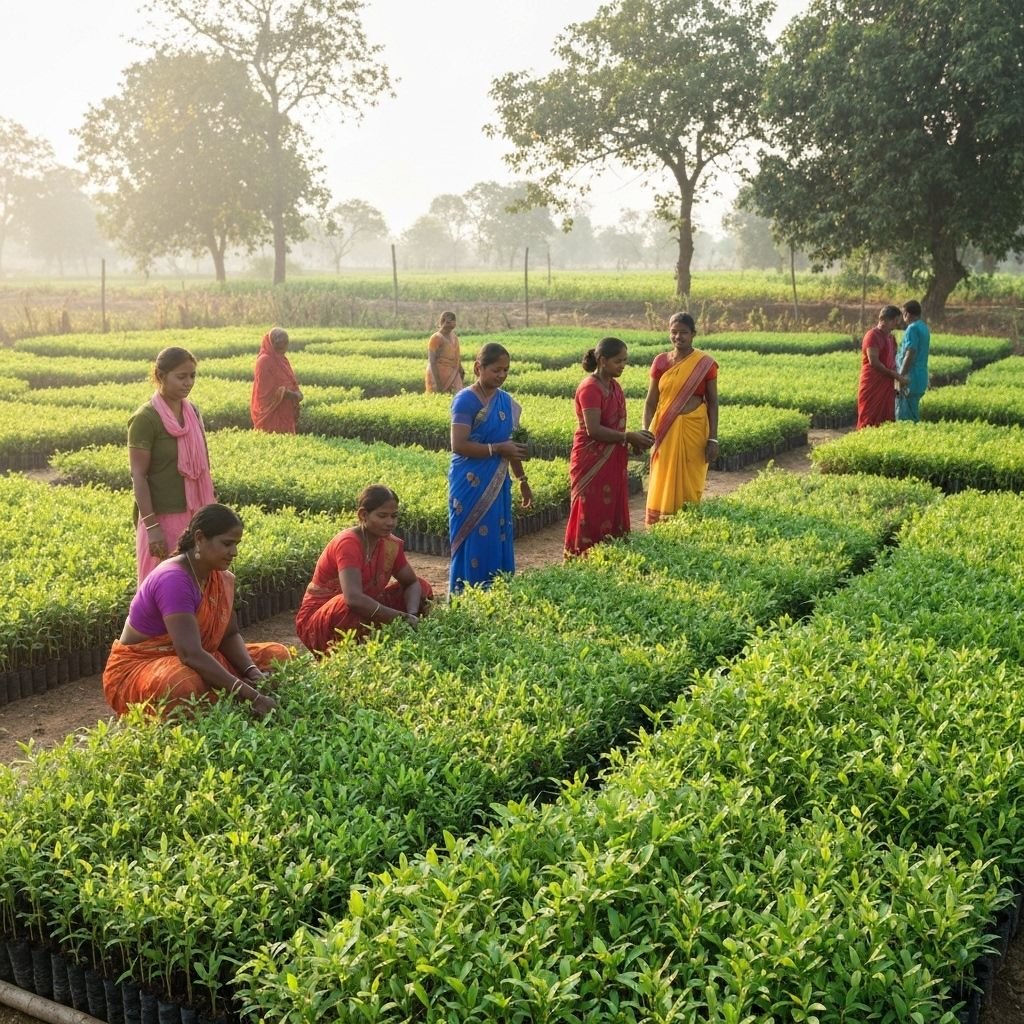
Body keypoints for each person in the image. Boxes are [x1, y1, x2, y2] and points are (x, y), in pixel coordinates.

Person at [103, 504, 288, 718]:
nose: (234, 552)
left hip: (199, 657)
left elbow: (229, 635)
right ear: (200, 538)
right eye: (227, 544)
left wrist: (252, 672)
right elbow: (190, 653)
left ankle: (227, 695)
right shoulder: (174, 579)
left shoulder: (218, 577)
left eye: (237, 544)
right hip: (142, 666)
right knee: (181, 684)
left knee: (276, 655)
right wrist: (252, 695)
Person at [295, 485, 434, 655]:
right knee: (346, 605)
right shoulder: (348, 543)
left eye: (394, 516)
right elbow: (353, 599)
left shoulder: (391, 544)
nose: (390, 522)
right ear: (363, 515)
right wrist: (401, 618)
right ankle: (350, 657)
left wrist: (412, 614)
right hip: (323, 619)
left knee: (422, 587)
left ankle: (392, 648)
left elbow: (411, 583)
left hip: (366, 609)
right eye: (382, 516)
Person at [448, 342, 531, 594]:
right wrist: (497, 449)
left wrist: (523, 480)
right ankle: (467, 596)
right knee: (472, 537)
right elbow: (458, 444)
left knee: (498, 535)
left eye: (506, 370)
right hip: (469, 483)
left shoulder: (507, 402)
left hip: (498, 483)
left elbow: (512, 446)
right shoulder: (465, 400)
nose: (502, 375)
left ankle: (497, 595)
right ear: (478, 368)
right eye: (496, 370)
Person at [129, 347, 216, 583]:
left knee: (199, 583)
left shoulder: (193, 412)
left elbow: (204, 464)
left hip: (196, 513)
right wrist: (151, 526)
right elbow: (139, 476)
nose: (188, 383)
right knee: (164, 585)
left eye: (192, 376)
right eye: (181, 377)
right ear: (160, 376)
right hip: (164, 517)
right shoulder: (146, 419)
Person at [564, 337, 654, 557]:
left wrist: (633, 440)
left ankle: (611, 556)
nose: (622, 365)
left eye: (625, 361)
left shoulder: (614, 386)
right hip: (591, 457)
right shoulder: (590, 388)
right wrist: (627, 436)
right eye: (618, 361)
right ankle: (582, 556)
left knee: (612, 504)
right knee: (591, 509)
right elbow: (593, 430)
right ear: (602, 360)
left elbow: (616, 424)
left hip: (613, 457)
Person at [642, 313, 719, 526]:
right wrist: (644, 430)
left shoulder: (705, 364)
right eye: (674, 332)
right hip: (664, 429)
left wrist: (713, 439)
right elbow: (650, 402)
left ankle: (687, 523)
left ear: (693, 334)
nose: (678, 337)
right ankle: (661, 522)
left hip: (694, 428)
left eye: (683, 332)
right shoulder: (660, 362)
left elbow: (713, 403)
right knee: (664, 474)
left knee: (691, 477)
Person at [856, 305, 908, 429]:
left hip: (886, 384)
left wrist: (897, 377)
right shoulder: (872, 335)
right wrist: (895, 375)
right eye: (895, 321)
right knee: (869, 416)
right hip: (873, 382)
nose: (896, 324)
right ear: (885, 320)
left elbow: (892, 361)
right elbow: (874, 362)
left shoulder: (891, 338)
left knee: (886, 418)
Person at [250, 326, 303, 433]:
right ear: (272, 343)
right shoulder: (264, 361)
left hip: (285, 411)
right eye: (281, 345)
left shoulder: (283, 359)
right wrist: (291, 394)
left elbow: (291, 380)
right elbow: (265, 392)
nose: (284, 348)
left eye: (286, 344)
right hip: (271, 412)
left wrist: (297, 392)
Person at [896, 300, 931, 423]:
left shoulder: (912, 328)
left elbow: (910, 352)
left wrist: (901, 375)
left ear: (907, 314)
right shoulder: (924, 327)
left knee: (905, 415)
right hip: (920, 376)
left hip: (911, 377)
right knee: (912, 411)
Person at [425, 311, 465, 394]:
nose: (452, 324)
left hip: (453, 374)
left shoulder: (454, 337)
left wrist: (460, 369)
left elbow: (457, 356)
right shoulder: (435, 338)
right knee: (438, 397)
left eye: (454, 321)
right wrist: (437, 382)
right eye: (449, 322)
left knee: (457, 396)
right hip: (438, 374)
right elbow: (432, 361)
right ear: (442, 322)